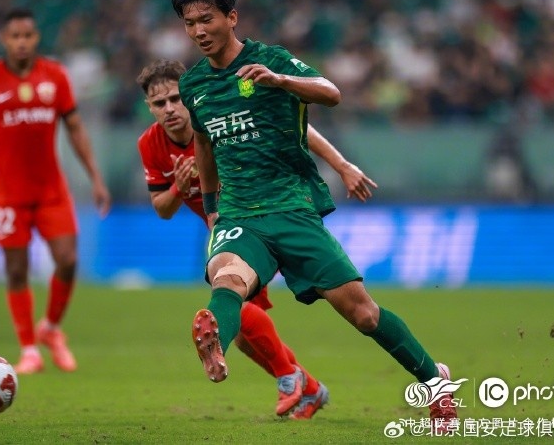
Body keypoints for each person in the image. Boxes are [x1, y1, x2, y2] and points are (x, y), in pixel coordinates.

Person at [171, 0, 458, 432]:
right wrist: (211, 206)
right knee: (228, 278)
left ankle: (436, 382)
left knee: (364, 315)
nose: (199, 31)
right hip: (240, 212)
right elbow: (204, 144)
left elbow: (332, 93)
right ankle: (215, 343)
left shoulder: (269, 59)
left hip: (291, 207)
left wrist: (281, 81)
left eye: (207, 19)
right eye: (189, 23)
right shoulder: (194, 85)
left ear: (231, 17)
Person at [136, 59, 376, 419]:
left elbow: (299, 129)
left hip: (262, 219)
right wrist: (177, 188)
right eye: (159, 103)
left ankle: (291, 377)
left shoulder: (217, 117)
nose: (169, 109)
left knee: (236, 306)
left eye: (175, 99)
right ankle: (308, 387)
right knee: (242, 333)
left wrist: (341, 165)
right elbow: (163, 209)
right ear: (149, 107)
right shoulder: (150, 144)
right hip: (226, 233)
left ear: (188, 95)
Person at [0, 8, 111, 375]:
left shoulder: (55, 76)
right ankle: (29, 349)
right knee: (16, 270)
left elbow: (75, 127)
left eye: (27, 35)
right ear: (4, 39)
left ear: (36, 37)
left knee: (68, 261)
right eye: (15, 36)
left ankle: (51, 328)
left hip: (51, 190)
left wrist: (95, 176)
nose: (22, 42)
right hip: (7, 194)